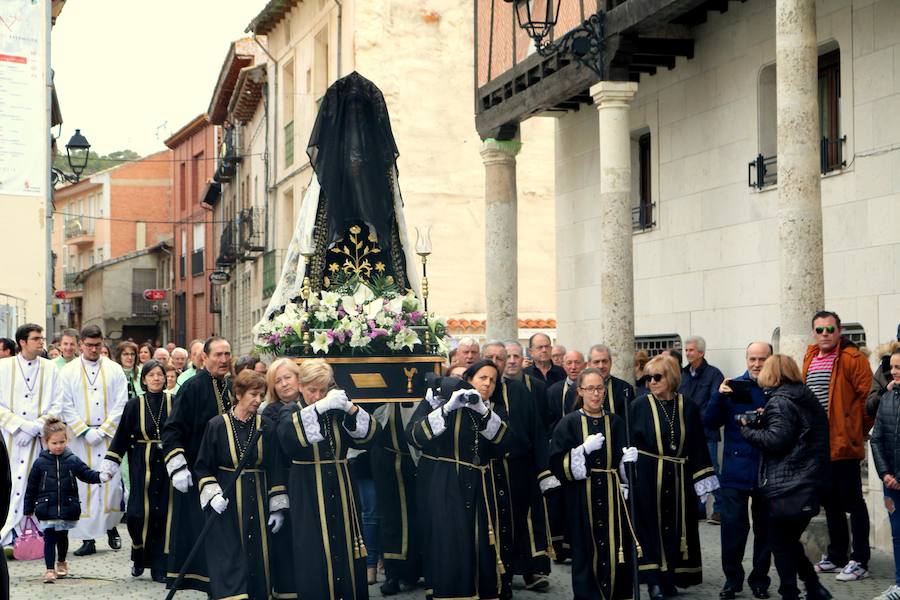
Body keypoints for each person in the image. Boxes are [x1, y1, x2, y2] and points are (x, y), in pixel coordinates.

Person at [276, 359, 379, 600]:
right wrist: (319, 408)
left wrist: (350, 409)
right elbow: (288, 438)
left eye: (323, 390)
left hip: (342, 486)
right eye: (313, 390)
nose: (318, 396)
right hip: (307, 488)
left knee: (345, 546)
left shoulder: (336, 410)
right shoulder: (290, 410)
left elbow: (370, 437)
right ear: (301, 386)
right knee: (314, 550)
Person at [406, 360, 509, 600]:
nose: (487, 384)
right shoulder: (439, 403)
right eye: (483, 378)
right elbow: (413, 435)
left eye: (493, 380)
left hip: (479, 486)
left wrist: (484, 414)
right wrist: (445, 409)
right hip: (445, 484)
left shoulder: (491, 409)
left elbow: (507, 442)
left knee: (480, 541)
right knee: (449, 542)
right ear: (469, 380)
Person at [740, 354, 831, 600]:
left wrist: (747, 430)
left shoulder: (780, 401)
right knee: (788, 539)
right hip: (810, 480)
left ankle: (791, 592)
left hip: (788, 483)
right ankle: (813, 588)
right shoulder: (804, 396)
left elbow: (776, 440)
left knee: (780, 541)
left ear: (773, 374)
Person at [630, 354, 718, 600]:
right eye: (648, 378)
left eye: (657, 377)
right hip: (649, 476)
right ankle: (653, 581)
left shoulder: (687, 405)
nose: (652, 382)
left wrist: (702, 479)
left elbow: (698, 443)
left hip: (679, 476)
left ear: (671, 377)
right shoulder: (639, 405)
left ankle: (671, 578)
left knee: (677, 528)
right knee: (650, 527)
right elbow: (630, 444)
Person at [194, 369, 287, 600]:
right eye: (253, 395)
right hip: (227, 504)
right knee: (229, 555)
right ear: (238, 394)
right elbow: (203, 465)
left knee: (258, 554)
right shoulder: (216, 425)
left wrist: (277, 507)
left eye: (262, 395)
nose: (258, 400)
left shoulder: (266, 426)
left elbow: (275, 465)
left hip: (258, 500)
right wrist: (213, 494)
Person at [550, 367, 639, 600]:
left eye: (600, 388)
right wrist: (582, 451)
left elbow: (623, 464)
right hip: (582, 497)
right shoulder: (568, 423)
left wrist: (627, 464)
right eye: (590, 389)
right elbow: (558, 464)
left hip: (612, 496)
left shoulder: (617, 422)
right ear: (580, 391)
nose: (596, 394)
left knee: (616, 548)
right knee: (585, 550)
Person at [802, 311, 873, 581]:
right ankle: (836, 555)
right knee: (830, 503)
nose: (825, 334)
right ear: (814, 332)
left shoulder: (853, 358)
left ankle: (860, 559)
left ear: (839, 330)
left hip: (844, 443)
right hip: (818, 446)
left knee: (853, 502)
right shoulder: (810, 356)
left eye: (830, 329)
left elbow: (868, 401)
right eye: (819, 330)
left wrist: (857, 431)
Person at [161, 335, 233, 593]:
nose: (224, 360)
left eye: (227, 354)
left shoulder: (232, 386)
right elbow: (171, 429)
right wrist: (178, 466)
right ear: (205, 358)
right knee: (201, 534)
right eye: (218, 355)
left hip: (227, 473)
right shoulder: (192, 387)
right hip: (197, 471)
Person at [482, 342, 555, 595]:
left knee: (524, 520)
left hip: (520, 466)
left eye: (500, 358)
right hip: (489, 470)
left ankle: (530, 570)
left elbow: (538, 429)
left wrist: (543, 469)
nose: (498, 361)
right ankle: (499, 573)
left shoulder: (521, 391)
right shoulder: (475, 391)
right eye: (490, 357)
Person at [704, 342, 774, 600]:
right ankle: (732, 580)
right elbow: (709, 422)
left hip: (767, 469)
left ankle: (760, 581)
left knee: (765, 530)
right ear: (746, 359)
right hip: (735, 470)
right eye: (752, 359)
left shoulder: (776, 388)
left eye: (762, 359)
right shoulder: (733, 386)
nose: (757, 364)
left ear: (771, 359)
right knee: (733, 528)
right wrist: (719, 395)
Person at [100, 360, 172, 583]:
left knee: (162, 514)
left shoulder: (173, 401)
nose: (156, 378)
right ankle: (139, 556)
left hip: (168, 462)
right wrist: (111, 462)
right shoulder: (134, 405)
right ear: (144, 379)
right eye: (151, 375)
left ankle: (159, 564)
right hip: (142, 463)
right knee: (137, 515)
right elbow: (121, 435)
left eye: (160, 374)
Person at [58, 324, 128, 556]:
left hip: (108, 436)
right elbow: (65, 403)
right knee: (83, 487)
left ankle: (111, 528)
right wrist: (84, 431)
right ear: (80, 345)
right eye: (89, 345)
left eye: (97, 345)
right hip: (81, 438)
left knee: (111, 484)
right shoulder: (67, 372)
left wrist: (105, 429)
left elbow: (121, 403)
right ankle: (87, 539)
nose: (93, 350)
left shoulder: (115, 369)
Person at [23, 416, 109, 583]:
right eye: (54, 443)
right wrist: (28, 508)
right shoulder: (40, 463)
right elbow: (31, 487)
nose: (58, 446)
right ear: (46, 441)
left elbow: (86, 474)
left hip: (67, 506)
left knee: (62, 537)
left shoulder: (72, 459)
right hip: (46, 507)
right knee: (49, 538)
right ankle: (49, 569)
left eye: (62, 442)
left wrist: (101, 477)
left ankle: (61, 562)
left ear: (67, 440)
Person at [0, 324, 62, 547]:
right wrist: (19, 426)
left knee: (36, 485)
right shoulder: (4, 367)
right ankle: (9, 532)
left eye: (42, 338)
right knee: (10, 483)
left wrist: (35, 427)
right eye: (36, 338)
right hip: (10, 439)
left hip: (38, 439)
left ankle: (33, 533)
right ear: (22, 342)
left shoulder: (51, 368)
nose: (41, 342)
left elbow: (58, 403)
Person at [261, 358, 302, 600]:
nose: (284, 384)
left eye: (288, 377)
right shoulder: (271, 412)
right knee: (286, 539)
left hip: (309, 478)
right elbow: (273, 454)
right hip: (284, 478)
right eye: (278, 381)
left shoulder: (312, 402)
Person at [679, 335, 725, 523]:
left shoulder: (714, 374)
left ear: (701, 352)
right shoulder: (682, 374)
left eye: (691, 350)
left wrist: (699, 421)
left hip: (706, 433)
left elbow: (716, 402)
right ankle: (698, 509)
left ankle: (720, 509)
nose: (687, 353)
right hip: (686, 433)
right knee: (692, 471)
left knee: (711, 469)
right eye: (686, 350)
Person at [869, 348, 900, 600]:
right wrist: (885, 473)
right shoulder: (888, 398)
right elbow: (876, 438)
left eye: (899, 367)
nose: (894, 372)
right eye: (893, 367)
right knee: (898, 534)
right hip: (891, 483)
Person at [587, 344, 635, 416]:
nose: (601, 366)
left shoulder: (625, 388)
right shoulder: (577, 389)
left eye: (604, 361)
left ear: (611, 362)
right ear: (589, 364)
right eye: (597, 362)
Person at [546, 350, 586, 431]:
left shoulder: (592, 389)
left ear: (585, 365)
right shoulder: (553, 391)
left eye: (577, 362)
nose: (573, 367)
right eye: (569, 363)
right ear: (563, 366)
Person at [868, 340, 900, 418]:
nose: (893, 372)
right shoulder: (880, 374)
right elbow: (870, 408)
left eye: (897, 367)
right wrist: (885, 391)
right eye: (891, 367)